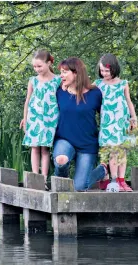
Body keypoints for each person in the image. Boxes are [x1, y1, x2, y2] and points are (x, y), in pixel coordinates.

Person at [52, 57, 107, 191]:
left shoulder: (95, 93)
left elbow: (107, 118)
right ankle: (62, 186)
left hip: (87, 145)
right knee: (60, 161)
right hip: (65, 140)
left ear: (76, 72)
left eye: (65, 72)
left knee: (80, 187)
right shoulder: (59, 92)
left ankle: (102, 171)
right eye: (61, 72)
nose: (61, 75)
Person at [95, 54, 137, 192]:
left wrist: (133, 118)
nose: (104, 73)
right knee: (113, 151)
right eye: (102, 71)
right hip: (108, 123)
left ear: (114, 69)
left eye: (107, 71)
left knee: (122, 151)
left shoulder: (123, 83)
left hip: (122, 122)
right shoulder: (98, 84)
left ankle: (122, 180)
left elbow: (128, 101)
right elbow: (85, 92)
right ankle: (113, 180)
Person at [20, 50, 61, 182]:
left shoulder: (57, 80)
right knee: (34, 147)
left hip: (50, 118)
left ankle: (43, 178)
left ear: (48, 63)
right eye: (35, 67)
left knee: (45, 148)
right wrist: (25, 118)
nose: (37, 69)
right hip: (34, 117)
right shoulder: (33, 81)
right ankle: (35, 177)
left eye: (39, 66)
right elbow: (28, 100)